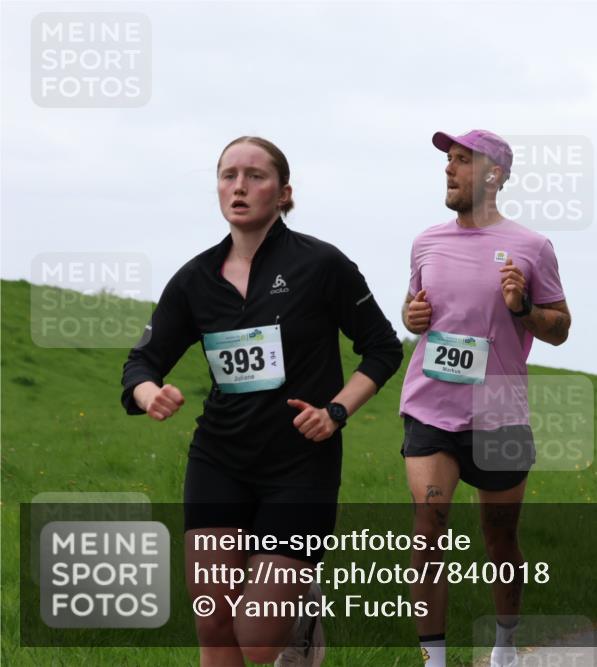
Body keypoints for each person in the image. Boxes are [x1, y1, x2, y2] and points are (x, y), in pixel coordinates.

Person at [120, 136, 403, 666]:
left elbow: (383, 348)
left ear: (284, 193)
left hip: (300, 464)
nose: (240, 186)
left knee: (256, 637)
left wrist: (336, 411)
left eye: (255, 175)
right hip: (220, 458)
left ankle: (300, 617)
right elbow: (141, 361)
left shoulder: (321, 264)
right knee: (214, 624)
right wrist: (149, 391)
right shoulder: (195, 278)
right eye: (228, 175)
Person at [399, 129, 570, 667]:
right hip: (430, 406)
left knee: (499, 541)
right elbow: (413, 307)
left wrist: (522, 308)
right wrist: (411, 317)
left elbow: (560, 327)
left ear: (495, 174)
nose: (449, 170)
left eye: (462, 161)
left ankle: (504, 645)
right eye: (447, 161)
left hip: (499, 415)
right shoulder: (426, 242)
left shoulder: (532, 247)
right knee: (428, 528)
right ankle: (435, 657)